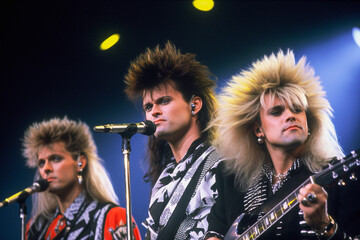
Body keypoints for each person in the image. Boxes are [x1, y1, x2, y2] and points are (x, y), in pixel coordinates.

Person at [204, 50, 360, 239]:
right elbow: (214, 231)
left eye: (297, 109)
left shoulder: (336, 172)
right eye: (277, 112)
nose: (290, 115)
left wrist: (325, 226)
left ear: (308, 123)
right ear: (258, 130)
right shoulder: (234, 182)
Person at [124, 41, 221, 239]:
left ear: (194, 105)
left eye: (164, 101)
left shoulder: (222, 161)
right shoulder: (164, 178)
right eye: (148, 107)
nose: (155, 112)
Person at [23, 117, 141, 240]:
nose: (46, 168)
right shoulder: (36, 227)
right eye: (41, 162)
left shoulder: (113, 217)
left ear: (80, 163)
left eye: (56, 158)